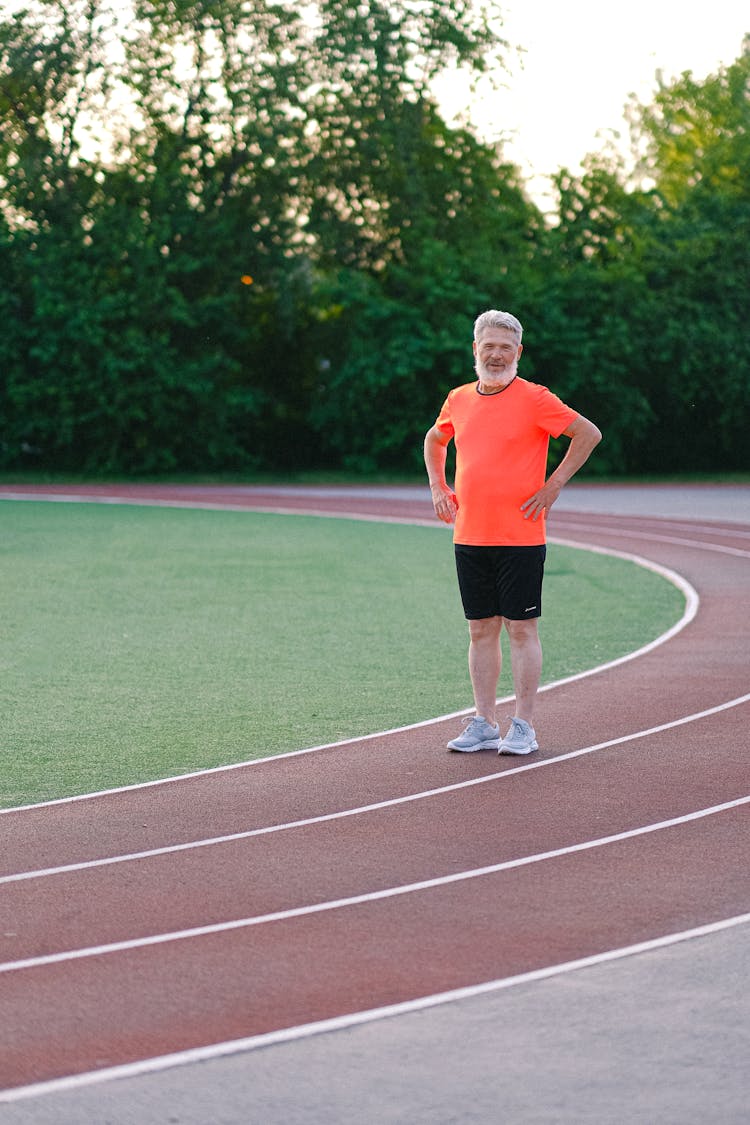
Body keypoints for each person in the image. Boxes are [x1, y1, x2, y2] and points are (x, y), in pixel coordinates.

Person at [423, 309, 602, 755]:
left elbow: (588, 434)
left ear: (518, 352)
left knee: (521, 630)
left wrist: (553, 485)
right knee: (480, 630)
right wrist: (439, 488)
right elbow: (434, 439)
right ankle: (484, 722)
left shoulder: (536, 398)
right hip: (469, 535)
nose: (497, 354)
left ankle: (523, 725)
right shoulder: (459, 398)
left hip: (521, 537)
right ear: (475, 350)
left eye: (506, 347)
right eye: (490, 346)